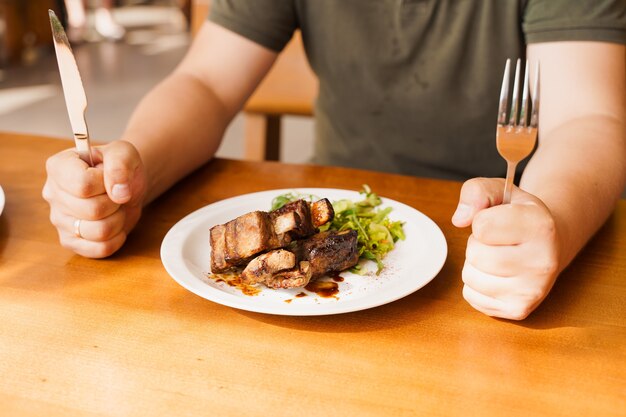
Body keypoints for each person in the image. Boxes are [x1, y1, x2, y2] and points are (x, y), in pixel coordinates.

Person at [42, 1, 626, 320]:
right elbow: (206, 83)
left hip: (490, 254)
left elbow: (589, 121)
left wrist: (548, 216)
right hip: (341, 227)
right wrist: (132, 171)